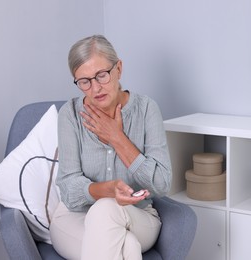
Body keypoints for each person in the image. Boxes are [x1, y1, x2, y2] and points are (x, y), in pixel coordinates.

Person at [50, 35, 172, 260]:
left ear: (119, 68)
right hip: (74, 218)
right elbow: (68, 189)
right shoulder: (70, 115)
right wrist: (108, 189)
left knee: (106, 211)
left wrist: (117, 138)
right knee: (127, 247)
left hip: (137, 217)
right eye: (84, 81)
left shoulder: (146, 109)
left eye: (102, 75)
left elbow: (162, 184)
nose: (95, 88)